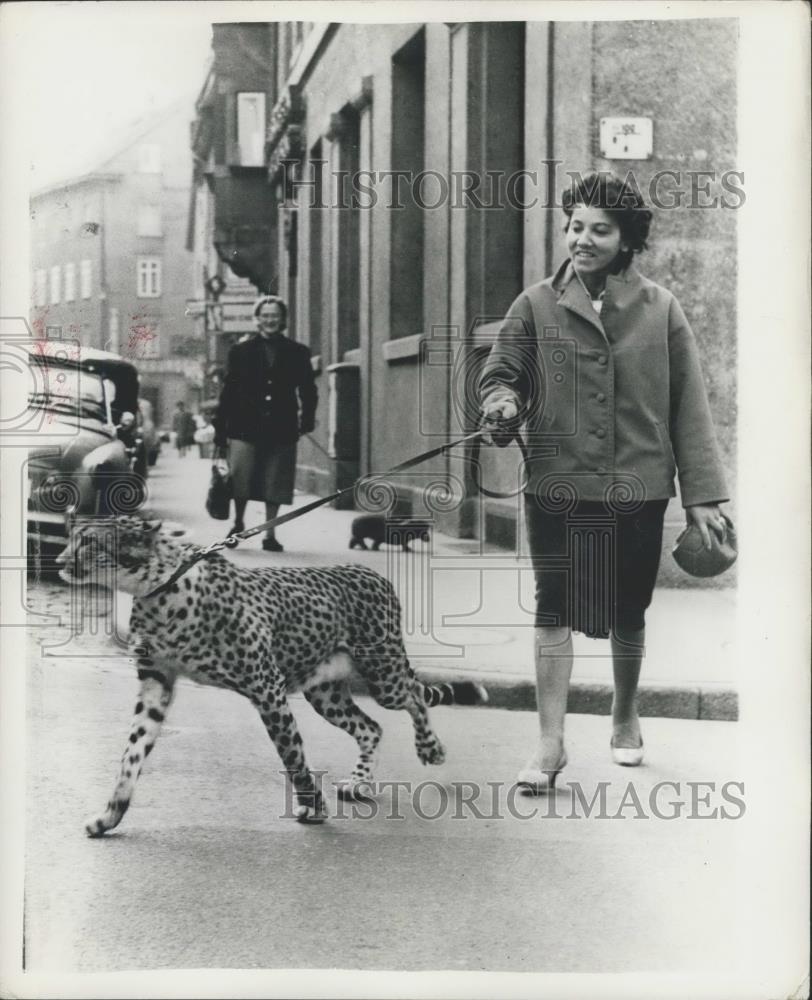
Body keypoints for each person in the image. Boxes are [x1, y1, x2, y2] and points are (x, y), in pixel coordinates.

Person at [479, 171, 729, 791]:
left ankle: (624, 713)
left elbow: (688, 406)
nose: (582, 240)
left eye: (599, 229)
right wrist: (502, 404)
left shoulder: (661, 308)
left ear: (626, 238)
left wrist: (702, 498)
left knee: (628, 608)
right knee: (553, 605)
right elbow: (500, 373)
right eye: (574, 227)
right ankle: (550, 742)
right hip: (556, 482)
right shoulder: (535, 303)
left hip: (638, 485)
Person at [213, 294, 317, 552]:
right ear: (257, 319)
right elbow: (228, 392)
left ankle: (270, 533)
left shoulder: (298, 352)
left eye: (275, 316)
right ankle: (238, 523)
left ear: (283, 320)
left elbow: (308, 390)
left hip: (282, 427)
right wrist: (220, 429)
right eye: (265, 316)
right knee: (241, 478)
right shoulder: (240, 351)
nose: (270, 320)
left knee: (276, 481)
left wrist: (307, 418)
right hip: (243, 426)